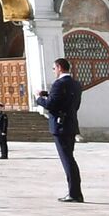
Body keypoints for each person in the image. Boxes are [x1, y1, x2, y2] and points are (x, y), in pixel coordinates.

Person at [36, 57, 84, 203]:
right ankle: (76, 192)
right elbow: (73, 104)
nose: (53, 71)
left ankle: (74, 193)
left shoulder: (59, 84)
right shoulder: (76, 84)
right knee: (70, 158)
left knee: (67, 160)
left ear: (59, 67)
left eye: (53, 68)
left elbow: (51, 104)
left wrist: (38, 98)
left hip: (60, 126)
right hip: (70, 123)